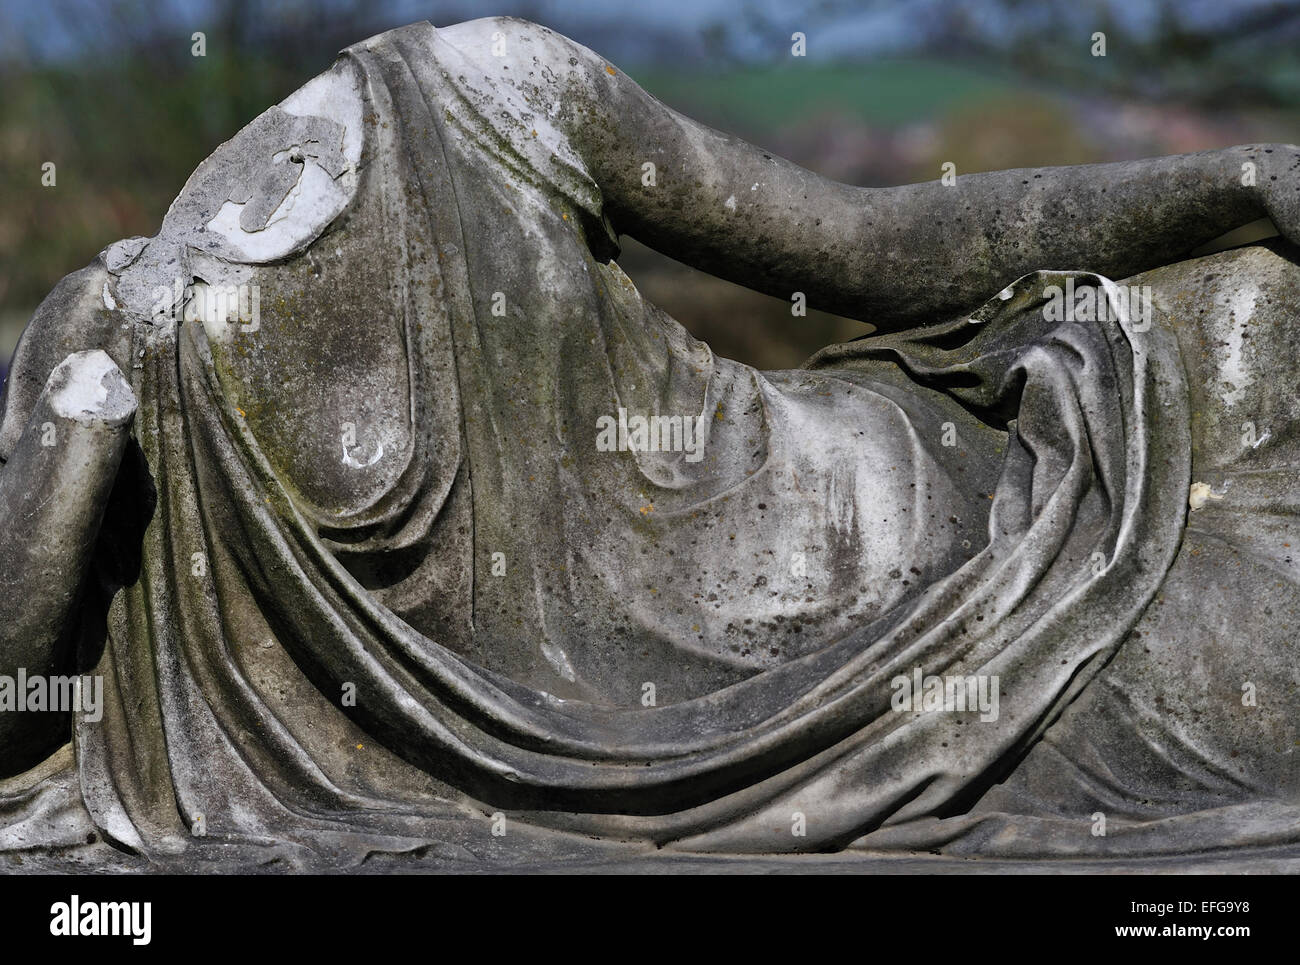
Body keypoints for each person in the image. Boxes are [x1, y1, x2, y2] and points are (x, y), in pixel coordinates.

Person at [1, 17, 1297, 870]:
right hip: (935, 612)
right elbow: (18, 690)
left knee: (1247, 327)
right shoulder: (128, 357)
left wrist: (1227, 177)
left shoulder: (487, 90)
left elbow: (872, 248)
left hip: (955, 494)